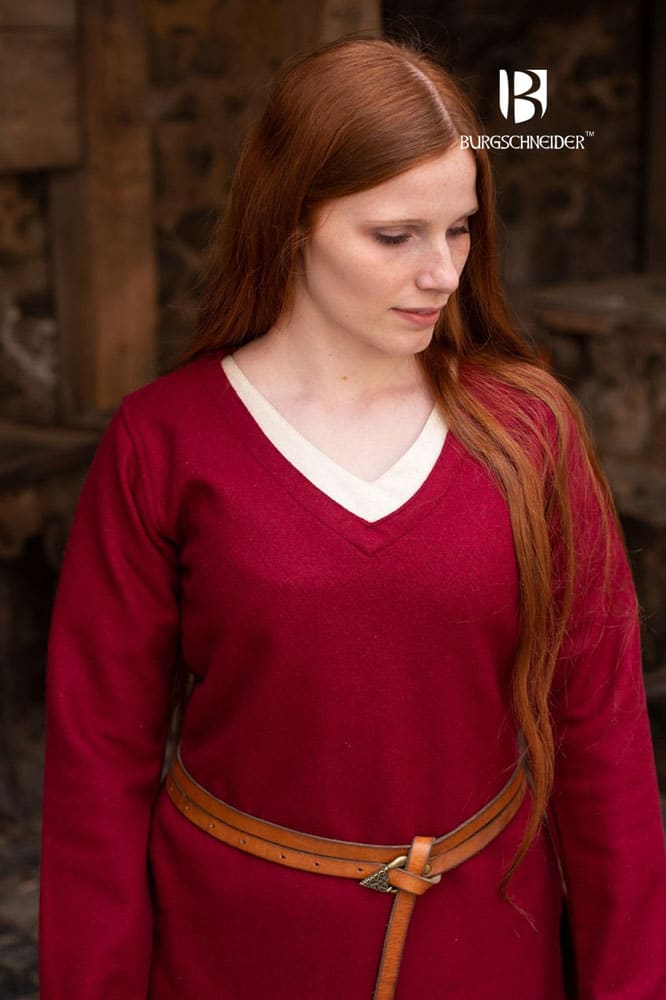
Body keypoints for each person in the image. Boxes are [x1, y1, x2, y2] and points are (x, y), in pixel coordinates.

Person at [39, 36, 665, 1000]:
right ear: (292, 222)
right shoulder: (163, 442)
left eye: (460, 230)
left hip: (488, 950)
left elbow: (605, 743)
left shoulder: (529, 429)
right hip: (231, 955)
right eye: (395, 235)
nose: (443, 272)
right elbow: (97, 767)